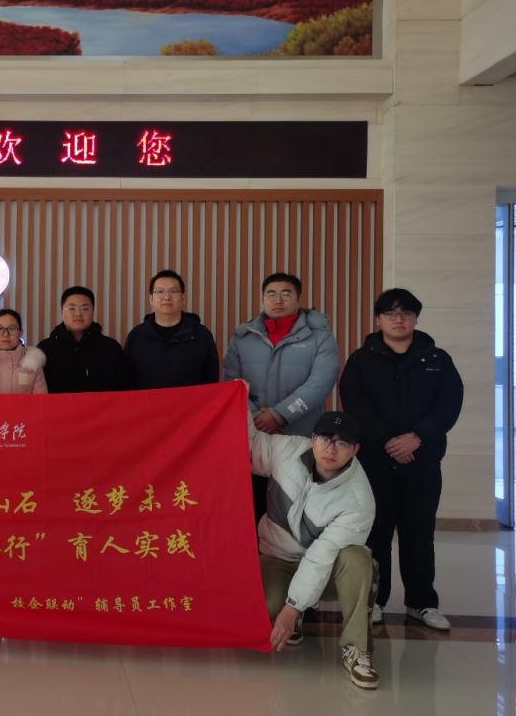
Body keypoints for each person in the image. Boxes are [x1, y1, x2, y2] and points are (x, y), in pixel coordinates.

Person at [339, 288, 463, 631]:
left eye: (406, 313)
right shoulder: (361, 360)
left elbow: (449, 404)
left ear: (415, 319)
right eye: (390, 313)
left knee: (419, 534)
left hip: (422, 460)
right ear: (378, 320)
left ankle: (421, 603)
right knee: (376, 534)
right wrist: (389, 441)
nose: (399, 319)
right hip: (376, 461)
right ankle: (375, 601)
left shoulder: (437, 359)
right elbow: (355, 403)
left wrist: (417, 438)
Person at [249, 410, 379, 689]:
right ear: (312, 439)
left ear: (355, 449)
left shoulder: (359, 499)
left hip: (327, 569)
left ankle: (357, 649)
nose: (330, 449)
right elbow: (246, 445)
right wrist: (237, 398)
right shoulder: (287, 450)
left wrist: (292, 607)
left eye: (341, 443)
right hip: (278, 557)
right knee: (266, 609)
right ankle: (295, 613)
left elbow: (321, 557)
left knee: (358, 559)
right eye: (324, 439)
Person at [224, 272, 341, 522]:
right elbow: (231, 382)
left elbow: (320, 383)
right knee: (251, 511)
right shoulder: (242, 339)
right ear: (263, 300)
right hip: (252, 437)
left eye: (286, 294)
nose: (278, 300)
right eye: (271, 294)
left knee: (294, 513)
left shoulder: (320, 338)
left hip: (299, 436)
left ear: (298, 299)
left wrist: (279, 415)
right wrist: (255, 417)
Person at [123, 270, 219, 389]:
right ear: (151, 299)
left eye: (173, 291)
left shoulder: (201, 335)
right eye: (160, 291)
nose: (166, 297)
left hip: (192, 401)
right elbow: (127, 382)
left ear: (183, 298)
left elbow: (211, 382)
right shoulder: (136, 336)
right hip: (147, 401)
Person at [37, 286, 125, 393]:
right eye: (72, 308)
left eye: (85, 309)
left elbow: (123, 390)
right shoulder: (45, 349)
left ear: (93, 311)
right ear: (62, 312)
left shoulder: (111, 348)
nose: (78, 314)